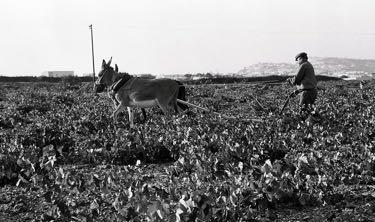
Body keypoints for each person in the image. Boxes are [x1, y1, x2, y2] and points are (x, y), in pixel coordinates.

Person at [288, 52, 318, 120]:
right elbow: (305, 80)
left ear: (301, 58)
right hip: (313, 92)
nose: (298, 62)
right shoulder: (309, 65)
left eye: (298, 60)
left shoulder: (303, 65)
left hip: (306, 93)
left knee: (302, 112)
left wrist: (290, 80)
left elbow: (297, 79)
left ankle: (305, 126)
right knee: (310, 110)